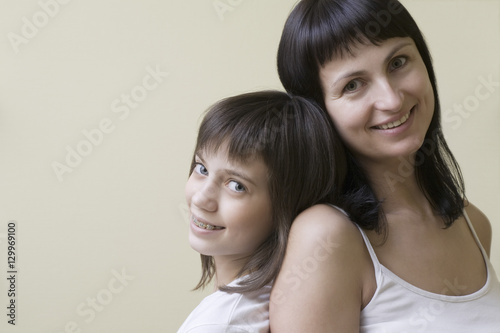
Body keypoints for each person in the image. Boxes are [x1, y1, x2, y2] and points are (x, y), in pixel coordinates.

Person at [270, 0, 500, 332]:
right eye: (353, 85)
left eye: (398, 62)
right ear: (317, 112)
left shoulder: (473, 224)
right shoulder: (327, 238)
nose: (392, 100)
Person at [177, 90, 345, 332]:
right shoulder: (261, 303)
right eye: (202, 168)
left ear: (288, 206)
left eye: (236, 185)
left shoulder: (224, 323)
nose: (202, 199)